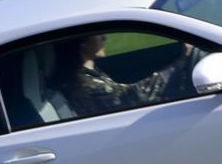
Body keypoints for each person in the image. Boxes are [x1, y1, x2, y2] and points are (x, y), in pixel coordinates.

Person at [55, 34, 194, 117]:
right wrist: (179, 65)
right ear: (83, 42)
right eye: (97, 35)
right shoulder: (84, 84)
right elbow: (135, 96)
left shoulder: (89, 73)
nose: (104, 37)